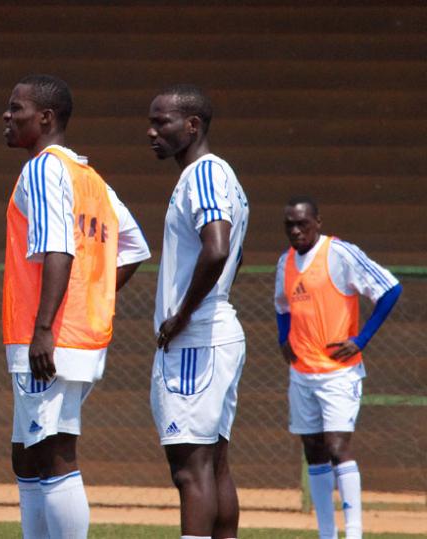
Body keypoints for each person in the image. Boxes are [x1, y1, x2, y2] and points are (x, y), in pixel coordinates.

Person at [2, 74, 150, 538]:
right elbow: (134, 248)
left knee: (54, 450)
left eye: (17, 109)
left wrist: (45, 327)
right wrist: (93, 298)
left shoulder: (45, 169)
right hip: (74, 333)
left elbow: (58, 248)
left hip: (49, 336)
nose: (7, 117)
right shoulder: (90, 178)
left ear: (45, 118)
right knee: (27, 451)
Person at [146, 84, 249, 539]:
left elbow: (218, 249)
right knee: (213, 464)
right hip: (214, 330)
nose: (152, 131)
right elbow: (234, 257)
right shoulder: (223, 178)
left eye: (161, 121)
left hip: (197, 337)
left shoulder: (204, 174)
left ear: (192, 125)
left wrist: (184, 315)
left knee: (189, 469)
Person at [275, 196, 402, 539]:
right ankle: (327, 533)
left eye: (303, 222)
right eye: (290, 224)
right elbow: (282, 305)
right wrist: (283, 338)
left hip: (338, 372)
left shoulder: (340, 253)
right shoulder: (284, 262)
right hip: (302, 373)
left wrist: (360, 340)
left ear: (318, 221)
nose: (296, 230)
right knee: (313, 450)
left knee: (336, 447)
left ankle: (355, 533)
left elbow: (390, 289)